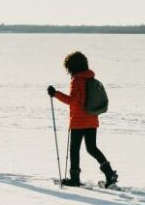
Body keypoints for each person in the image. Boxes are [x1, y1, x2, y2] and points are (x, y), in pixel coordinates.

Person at [47, 51, 118, 188]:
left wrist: (55, 94)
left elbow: (72, 101)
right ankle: (110, 173)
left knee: (74, 150)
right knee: (92, 148)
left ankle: (74, 179)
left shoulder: (77, 80)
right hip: (92, 119)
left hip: (78, 121)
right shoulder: (90, 78)